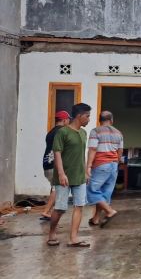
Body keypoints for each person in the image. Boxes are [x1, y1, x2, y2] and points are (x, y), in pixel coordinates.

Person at [47, 103, 92, 248]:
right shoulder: (63, 132)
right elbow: (57, 153)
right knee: (60, 208)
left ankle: (73, 238)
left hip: (79, 177)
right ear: (79, 116)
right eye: (87, 116)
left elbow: (82, 155)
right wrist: (61, 173)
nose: (89, 119)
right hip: (64, 177)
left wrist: (86, 171)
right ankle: (52, 233)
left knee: (79, 206)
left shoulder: (83, 133)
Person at [86, 111, 123, 228]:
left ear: (99, 120)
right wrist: (116, 163)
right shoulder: (118, 133)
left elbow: (92, 149)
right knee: (104, 193)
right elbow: (120, 151)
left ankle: (109, 211)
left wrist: (88, 166)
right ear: (111, 120)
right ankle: (96, 218)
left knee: (91, 190)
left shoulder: (96, 131)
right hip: (113, 165)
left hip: (101, 164)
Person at [41, 110, 70, 220]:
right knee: (57, 189)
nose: (69, 121)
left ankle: (49, 211)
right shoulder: (61, 131)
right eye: (68, 119)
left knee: (54, 188)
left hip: (46, 164)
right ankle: (46, 211)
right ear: (64, 120)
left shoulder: (51, 132)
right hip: (54, 165)